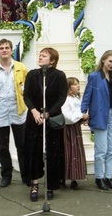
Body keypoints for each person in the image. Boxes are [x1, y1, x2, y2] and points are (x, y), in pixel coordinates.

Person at [23, 47, 67, 202]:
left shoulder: (59, 75)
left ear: (53, 60)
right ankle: (34, 184)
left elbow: (62, 97)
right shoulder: (32, 74)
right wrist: (34, 111)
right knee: (34, 151)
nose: (40, 57)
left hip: (51, 119)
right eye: (39, 55)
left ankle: (50, 185)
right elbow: (26, 95)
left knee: (52, 152)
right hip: (34, 119)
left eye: (44, 56)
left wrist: (48, 113)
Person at [81, 50, 112, 191]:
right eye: (110, 61)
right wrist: (83, 112)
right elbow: (87, 95)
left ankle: (109, 176)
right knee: (101, 149)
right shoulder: (94, 76)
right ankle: (99, 178)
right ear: (103, 61)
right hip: (100, 114)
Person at [0, 38, 28, 188]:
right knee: (2, 147)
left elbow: (28, 89)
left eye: (7, 48)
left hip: (18, 111)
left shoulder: (21, 68)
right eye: (1, 48)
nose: (4, 50)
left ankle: (26, 175)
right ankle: (6, 176)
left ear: (11, 50)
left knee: (22, 146)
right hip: (0, 112)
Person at [61, 77, 89, 190]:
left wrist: (83, 118)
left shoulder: (77, 99)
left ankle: (74, 177)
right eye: (75, 84)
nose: (78, 86)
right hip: (67, 130)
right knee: (68, 152)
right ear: (69, 88)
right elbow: (67, 115)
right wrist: (80, 116)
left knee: (75, 153)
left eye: (78, 83)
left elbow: (78, 112)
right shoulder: (66, 100)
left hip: (75, 129)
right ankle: (63, 177)